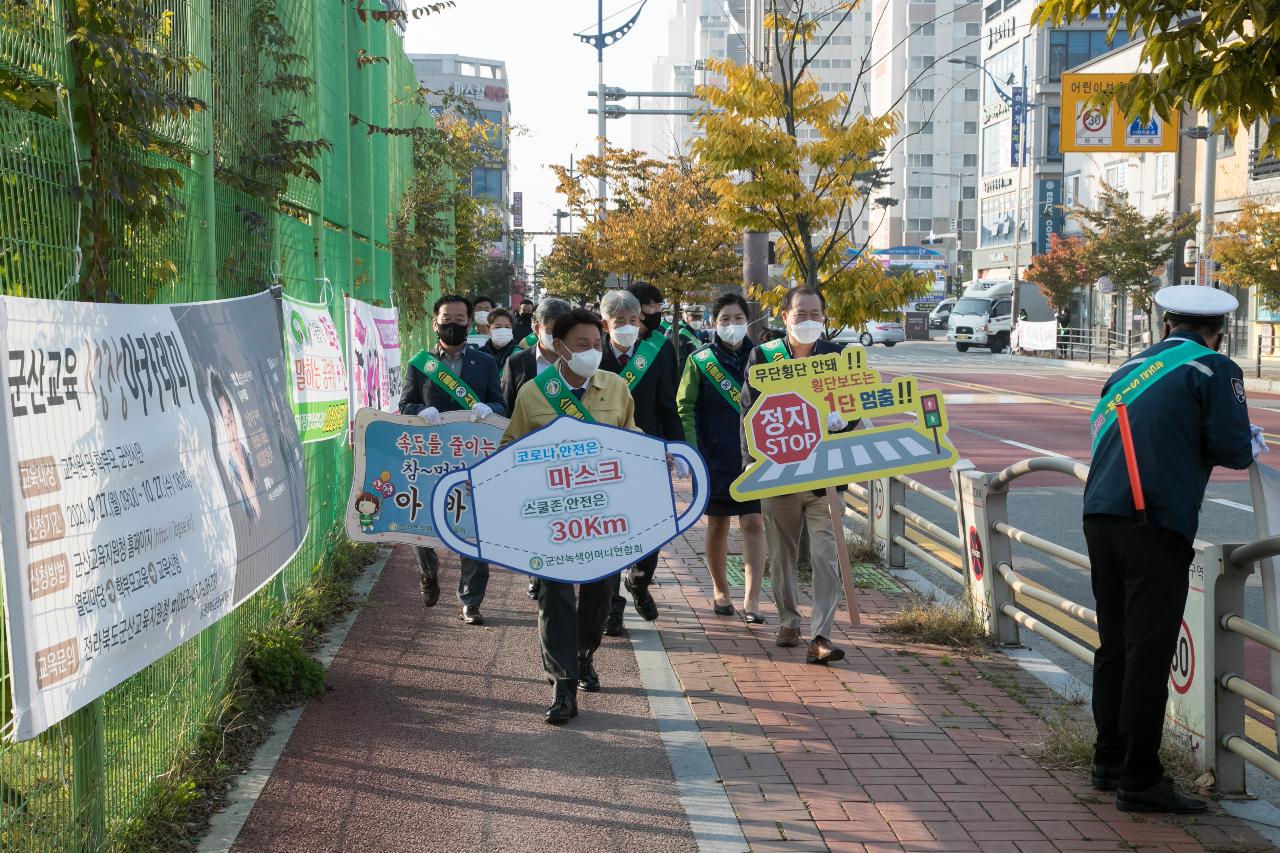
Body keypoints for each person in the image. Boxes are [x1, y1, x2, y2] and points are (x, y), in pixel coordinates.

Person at [1083, 284, 1257, 814]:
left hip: (1100, 515)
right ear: (1218, 333)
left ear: (1163, 327)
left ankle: (1108, 760)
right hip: (1154, 523)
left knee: (1113, 644)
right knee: (1147, 652)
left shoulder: (1125, 370)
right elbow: (1234, 448)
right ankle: (1140, 777)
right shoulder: (1213, 368)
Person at [501, 308, 640, 725]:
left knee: (600, 592)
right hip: (551, 517)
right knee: (554, 594)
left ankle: (584, 653)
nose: (592, 352)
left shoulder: (615, 388)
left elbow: (633, 435)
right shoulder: (534, 394)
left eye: (596, 345)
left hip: (604, 514)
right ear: (558, 347)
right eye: (582, 345)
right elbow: (512, 447)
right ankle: (562, 684)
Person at [740, 287, 854, 665]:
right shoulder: (764, 356)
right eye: (800, 314)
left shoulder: (837, 357)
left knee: (826, 556)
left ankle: (821, 635)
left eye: (815, 314)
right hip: (779, 475)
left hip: (824, 479)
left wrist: (845, 419)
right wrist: (750, 462)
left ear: (825, 317)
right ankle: (789, 620)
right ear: (784, 316)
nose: (808, 320)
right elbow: (748, 412)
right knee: (782, 553)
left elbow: (855, 402)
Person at [399, 294, 507, 625]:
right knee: (421, 523)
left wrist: (490, 409)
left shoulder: (485, 363)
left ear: (470, 322)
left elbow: (500, 404)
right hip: (431, 457)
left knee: (472, 527)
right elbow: (405, 405)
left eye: (460, 319)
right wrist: (420, 410)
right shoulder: (419, 364)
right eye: (447, 318)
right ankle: (428, 573)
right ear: (435, 322)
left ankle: (470, 600)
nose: (453, 325)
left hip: (471, 457)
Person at [600, 285, 685, 635]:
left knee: (651, 526)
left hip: (649, 450)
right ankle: (611, 606)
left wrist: (677, 448)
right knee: (605, 534)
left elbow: (668, 403)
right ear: (605, 323)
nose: (627, 325)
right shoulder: (591, 353)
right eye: (619, 320)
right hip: (602, 457)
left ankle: (638, 581)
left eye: (633, 319)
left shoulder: (659, 350)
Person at [677, 293, 766, 621]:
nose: (732, 325)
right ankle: (720, 591)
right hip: (714, 456)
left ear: (748, 322)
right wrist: (692, 451)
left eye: (738, 319)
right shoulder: (699, 361)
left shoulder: (763, 358)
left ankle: (752, 600)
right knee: (717, 525)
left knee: (755, 523)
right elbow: (684, 407)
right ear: (714, 324)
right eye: (725, 320)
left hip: (755, 456)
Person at [502, 297, 573, 600]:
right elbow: (507, 412)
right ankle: (537, 570)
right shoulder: (518, 363)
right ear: (536, 328)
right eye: (550, 330)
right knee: (537, 519)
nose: (556, 338)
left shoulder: (580, 362)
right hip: (531, 458)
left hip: (572, 459)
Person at [480, 307, 517, 373]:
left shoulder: (520, 354)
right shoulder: (478, 355)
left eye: (507, 327)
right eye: (498, 327)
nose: (503, 330)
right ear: (488, 329)